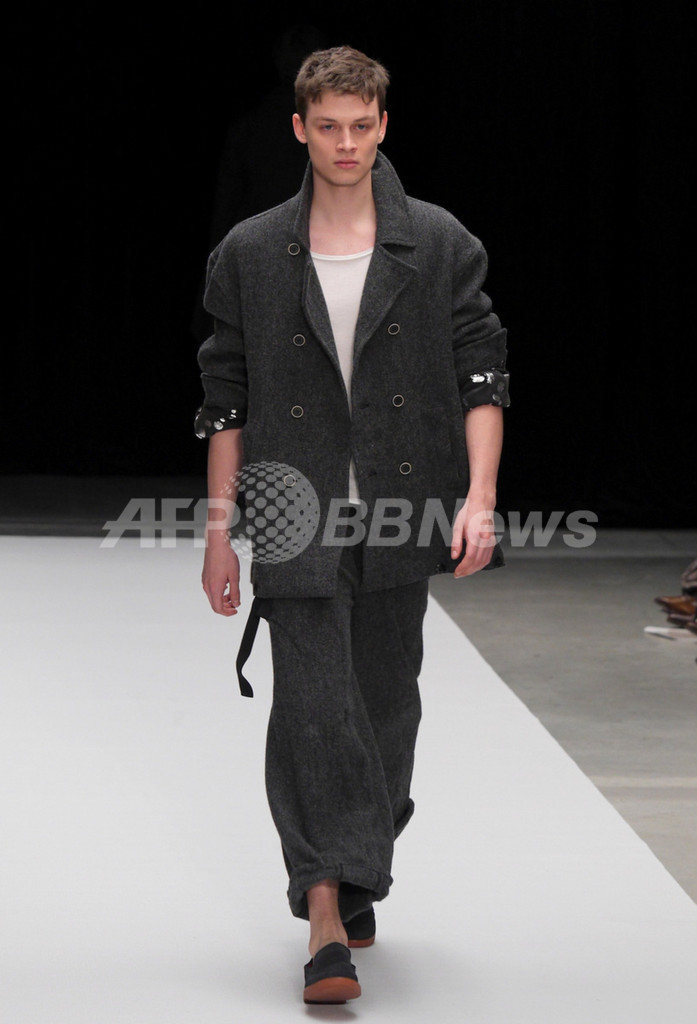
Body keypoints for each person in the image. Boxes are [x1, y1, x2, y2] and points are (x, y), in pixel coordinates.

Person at [194, 45, 510, 1004]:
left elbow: (482, 376)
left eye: (360, 126)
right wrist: (219, 532)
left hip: (404, 500)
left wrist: (480, 497)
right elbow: (225, 398)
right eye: (326, 126)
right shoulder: (251, 252)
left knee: (383, 705)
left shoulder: (438, 242)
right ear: (299, 129)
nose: (344, 143)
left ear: (382, 127)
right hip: (291, 507)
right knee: (312, 703)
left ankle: (359, 858)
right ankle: (325, 913)